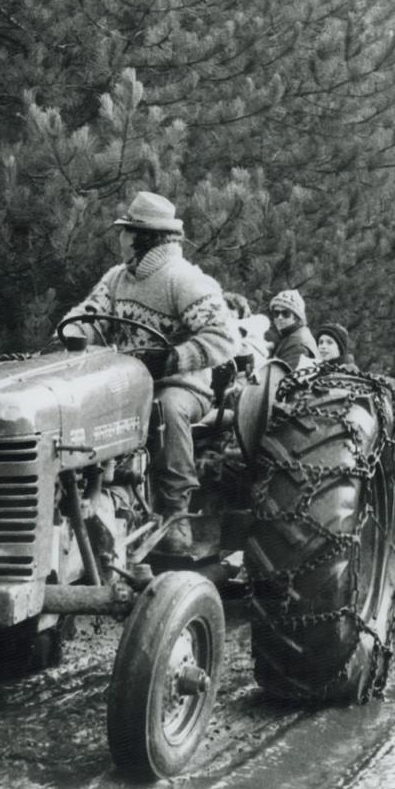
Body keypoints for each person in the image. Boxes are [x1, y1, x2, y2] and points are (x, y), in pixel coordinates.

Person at [61, 191, 239, 554]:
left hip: (181, 385)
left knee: (166, 410)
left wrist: (172, 360)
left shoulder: (184, 280)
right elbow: (88, 315)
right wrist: (69, 335)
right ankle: (87, 501)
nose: (121, 239)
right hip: (124, 382)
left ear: (145, 238)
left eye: (126, 231)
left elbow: (225, 337)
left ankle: (176, 516)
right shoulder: (117, 278)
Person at [268, 290, 317, 369]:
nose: (279, 317)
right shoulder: (289, 336)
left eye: (285, 313)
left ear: (296, 317)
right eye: (276, 313)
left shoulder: (297, 342)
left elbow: (282, 376)